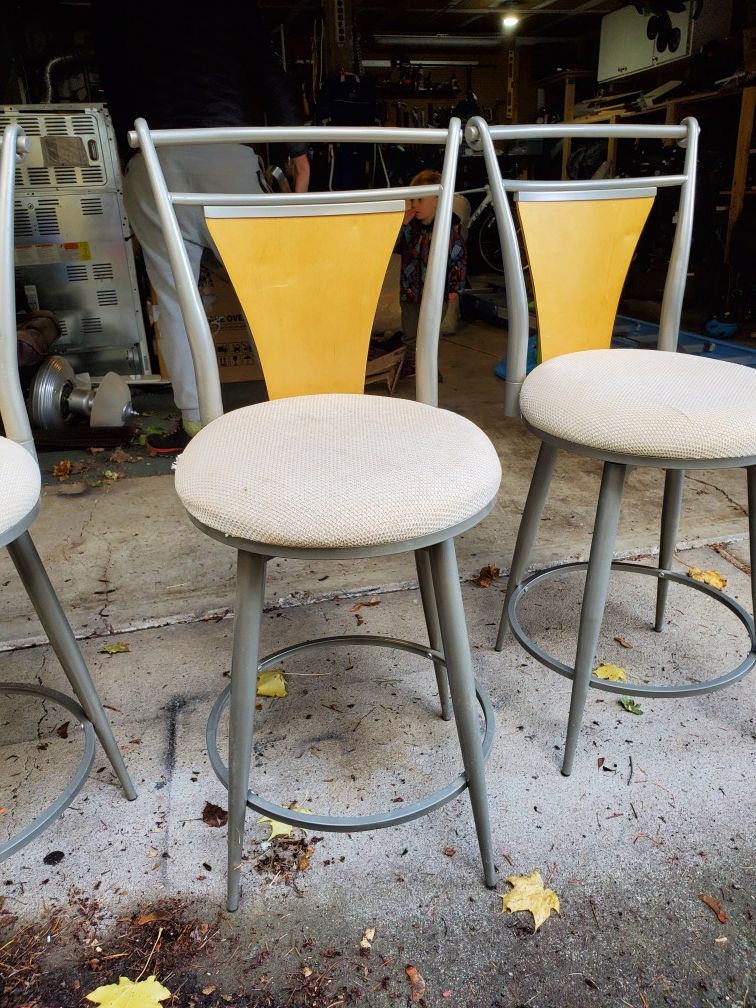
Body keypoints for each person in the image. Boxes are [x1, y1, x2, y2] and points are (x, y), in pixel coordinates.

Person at [92, 0, 310, 454]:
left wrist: (130, 160)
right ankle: (291, 408)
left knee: (175, 299)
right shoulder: (231, 9)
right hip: (224, 148)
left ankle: (195, 422)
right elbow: (268, 72)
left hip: (154, 151)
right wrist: (296, 147)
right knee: (263, 292)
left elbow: (113, 83)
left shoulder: (120, 11)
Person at [396, 169, 467, 379]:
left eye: (420, 200)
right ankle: (411, 364)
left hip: (437, 293)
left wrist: (456, 287)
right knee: (410, 333)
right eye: (412, 200)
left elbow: (459, 259)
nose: (414, 205)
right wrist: (402, 225)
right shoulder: (410, 229)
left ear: (437, 200)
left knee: (430, 333)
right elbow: (393, 246)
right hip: (409, 291)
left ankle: (428, 367)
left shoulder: (448, 229)